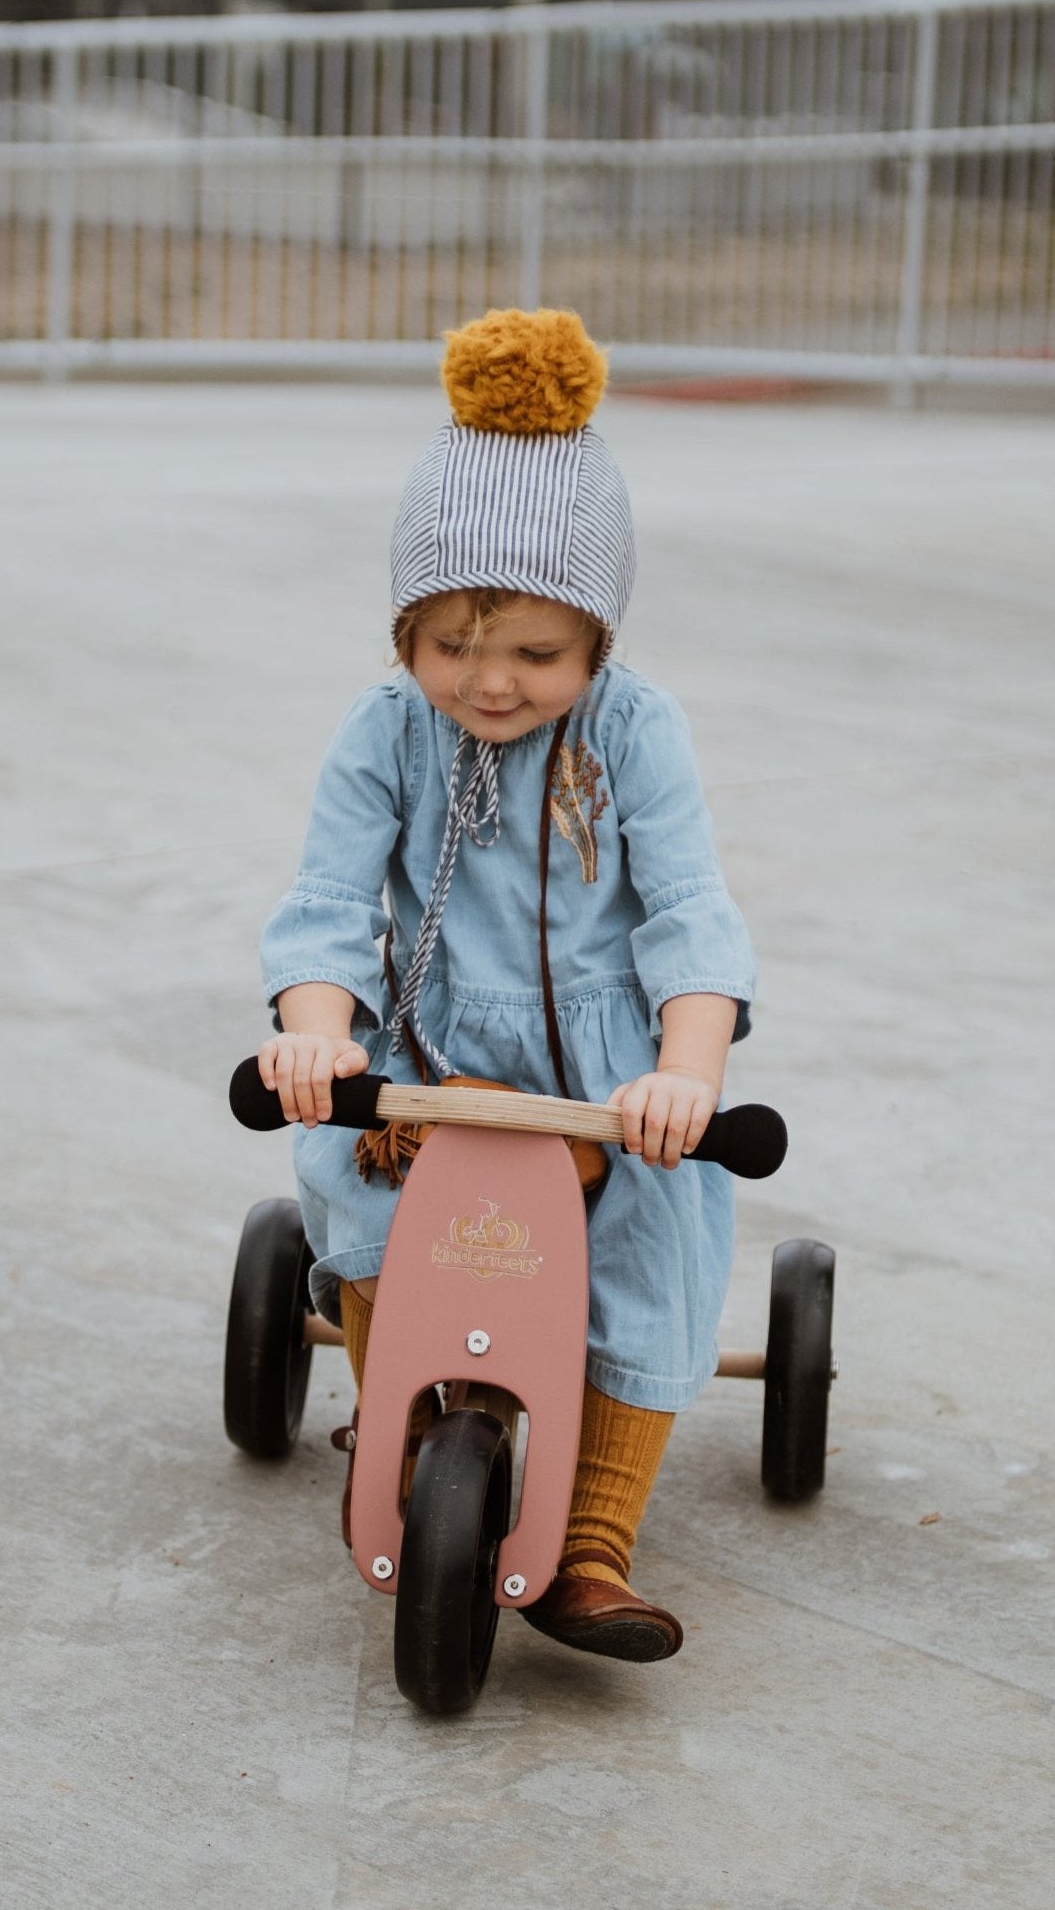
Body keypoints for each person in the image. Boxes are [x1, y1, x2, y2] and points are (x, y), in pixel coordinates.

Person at [256, 307, 756, 1663]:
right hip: (426, 1060)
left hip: (605, 1083)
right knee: (348, 1191)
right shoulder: (384, 734)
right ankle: (405, 1406)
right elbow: (323, 910)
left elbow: (692, 917)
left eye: (536, 653)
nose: (489, 683)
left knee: (659, 1241)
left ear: (595, 640)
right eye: (451, 647)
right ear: (405, 631)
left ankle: (595, 1544)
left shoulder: (637, 733)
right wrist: (317, 1038)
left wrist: (687, 1072)